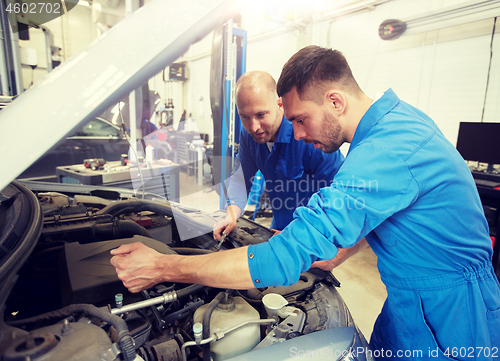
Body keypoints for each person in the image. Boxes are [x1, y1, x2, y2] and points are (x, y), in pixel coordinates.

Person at [111, 46, 500, 359]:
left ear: (335, 101)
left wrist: (163, 267)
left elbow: (285, 256)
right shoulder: (390, 126)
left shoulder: (387, 152)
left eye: (299, 119)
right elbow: (374, 216)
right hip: (406, 303)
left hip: (454, 317)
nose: (294, 134)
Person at [212, 70, 344, 241]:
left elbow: (338, 193)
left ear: (279, 104)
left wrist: (302, 232)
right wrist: (232, 213)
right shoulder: (248, 136)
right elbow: (241, 179)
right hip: (278, 229)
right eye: (244, 117)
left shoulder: (308, 136)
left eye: (261, 115)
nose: (254, 127)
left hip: (314, 234)